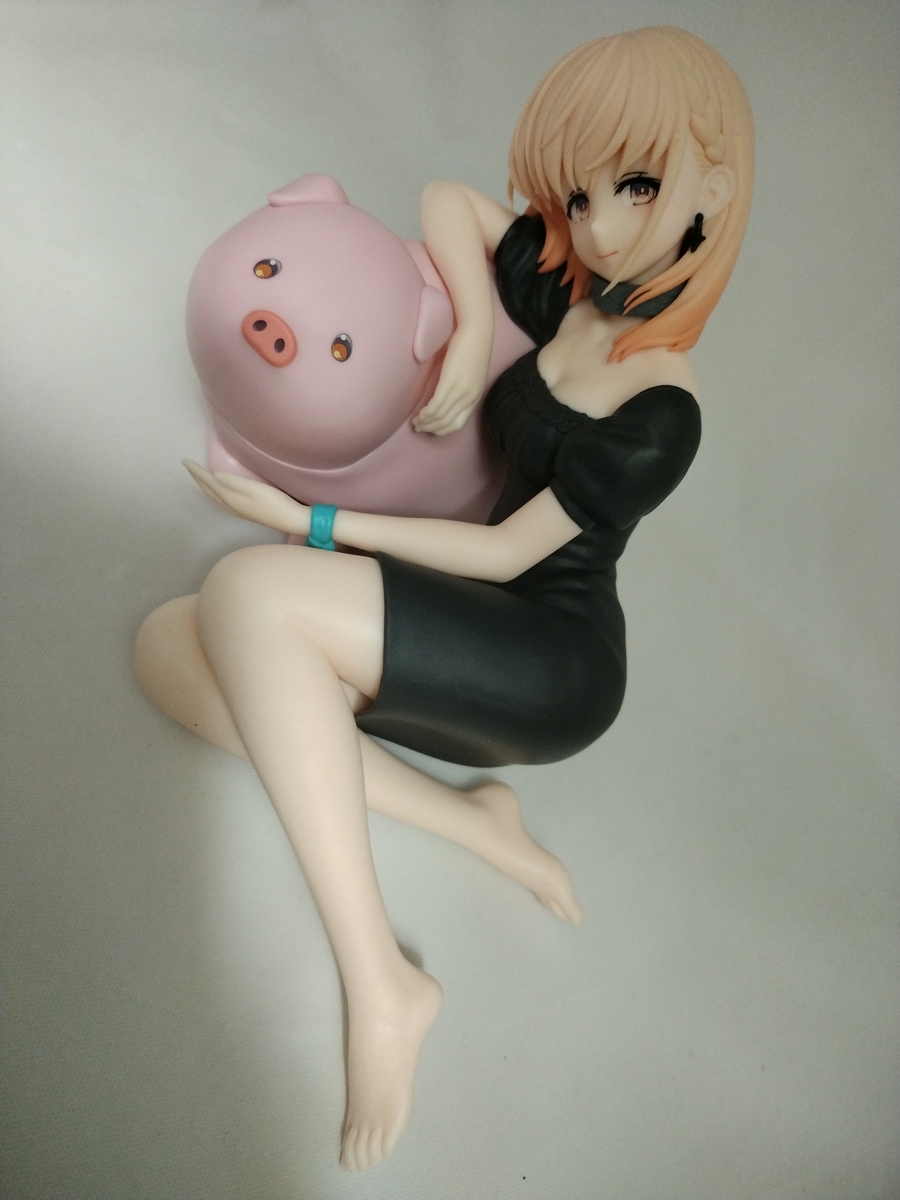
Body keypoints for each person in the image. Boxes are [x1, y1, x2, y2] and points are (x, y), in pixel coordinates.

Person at [134, 27, 753, 1171]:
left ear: (712, 192)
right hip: (471, 607)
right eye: (581, 192)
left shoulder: (664, 411)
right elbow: (448, 203)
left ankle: (382, 984)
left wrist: (310, 521)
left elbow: (510, 554)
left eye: (635, 186)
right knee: (174, 650)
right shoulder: (574, 290)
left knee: (247, 595)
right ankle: (475, 825)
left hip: (552, 664)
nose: (597, 225)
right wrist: (471, 328)